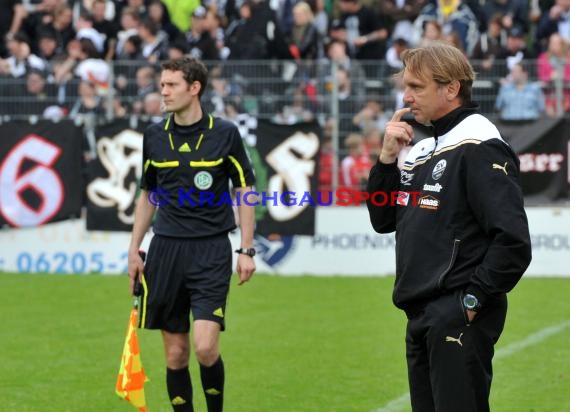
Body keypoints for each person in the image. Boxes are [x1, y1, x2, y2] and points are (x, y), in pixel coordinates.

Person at [366, 43, 532, 412]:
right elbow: (382, 219)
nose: (406, 98)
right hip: (420, 316)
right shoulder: (424, 149)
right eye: (405, 87)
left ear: (451, 89)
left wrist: (470, 302)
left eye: (417, 86)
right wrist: (387, 161)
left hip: (456, 314)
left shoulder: (479, 143)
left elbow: (513, 241)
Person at [127, 56, 257, 412]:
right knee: (176, 353)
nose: (163, 91)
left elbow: (245, 188)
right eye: (162, 84)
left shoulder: (225, 133)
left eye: (171, 85)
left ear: (194, 88)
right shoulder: (154, 136)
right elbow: (148, 194)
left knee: (204, 347)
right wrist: (134, 250)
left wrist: (247, 249)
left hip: (211, 250)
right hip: (165, 251)